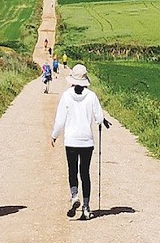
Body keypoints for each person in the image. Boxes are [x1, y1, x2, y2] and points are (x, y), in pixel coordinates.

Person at [51, 64, 107, 221]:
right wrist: (101, 121)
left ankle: (75, 196)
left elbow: (60, 119)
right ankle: (87, 208)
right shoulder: (92, 96)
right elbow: (99, 118)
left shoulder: (66, 95)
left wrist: (54, 135)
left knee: (72, 170)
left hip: (71, 141)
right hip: (87, 141)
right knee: (85, 173)